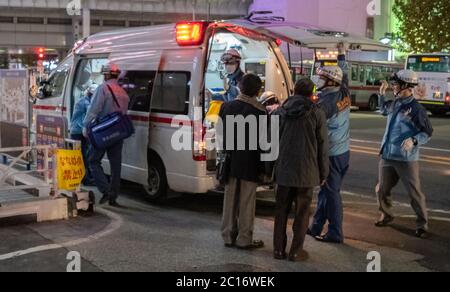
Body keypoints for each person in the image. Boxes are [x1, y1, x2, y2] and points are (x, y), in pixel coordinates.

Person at [272, 78, 329, 262]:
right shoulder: (317, 113)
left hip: (284, 169)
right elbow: (322, 145)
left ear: (294, 91)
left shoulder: (280, 112)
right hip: (308, 170)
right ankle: (296, 252)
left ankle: (278, 250)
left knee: (281, 211)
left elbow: (271, 144)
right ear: (311, 92)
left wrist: (268, 169)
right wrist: (323, 172)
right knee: (302, 212)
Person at [375, 71, 433, 238]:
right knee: (382, 189)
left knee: (414, 193)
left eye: (396, 85)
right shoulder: (395, 103)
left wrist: (414, 140)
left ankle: (422, 224)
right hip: (387, 155)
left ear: (406, 86)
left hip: (406, 159)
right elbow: (384, 111)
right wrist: (381, 94)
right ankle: (386, 215)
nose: (393, 87)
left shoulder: (416, 109)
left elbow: (427, 132)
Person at [219, 73, 267, 250]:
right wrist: (265, 168)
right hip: (251, 162)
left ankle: (227, 236)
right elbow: (264, 142)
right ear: (257, 91)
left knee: (229, 199)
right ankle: (244, 238)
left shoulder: (227, 107)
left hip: (230, 160)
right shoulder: (260, 112)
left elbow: (220, 135)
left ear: (240, 87)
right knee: (247, 201)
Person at [309, 43, 351, 244]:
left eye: (322, 77)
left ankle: (335, 232)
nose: (318, 80)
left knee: (332, 193)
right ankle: (316, 226)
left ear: (330, 81)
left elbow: (312, 124)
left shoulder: (325, 103)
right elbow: (345, 74)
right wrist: (342, 54)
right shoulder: (343, 92)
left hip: (331, 153)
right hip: (343, 152)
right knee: (326, 191)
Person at [83, 63, 130, 207]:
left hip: (103, 132)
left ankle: (105, 190)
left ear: (107, 75)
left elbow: (94, 109)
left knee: (93, 160)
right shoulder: (123, 92)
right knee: (116, 165)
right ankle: (113, 196)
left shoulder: (103, 88)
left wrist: (86, 125)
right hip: (118, 132)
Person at [70, 84, 98, 186]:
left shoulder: (85, 100)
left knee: (84, 155)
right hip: (78, 132)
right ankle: (85, 179)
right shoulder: (85, 102)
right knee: (82, 156)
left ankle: (86, 177)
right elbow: (90, 114)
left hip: (79, 131)